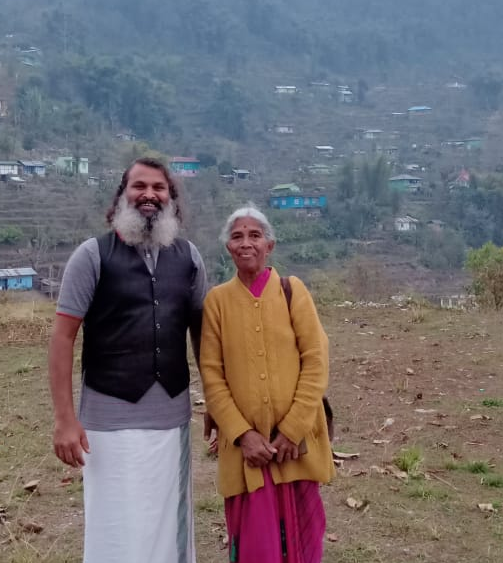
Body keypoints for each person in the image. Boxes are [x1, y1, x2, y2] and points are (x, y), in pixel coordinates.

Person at [48, 157, 208, 563]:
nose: (149, 195)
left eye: (159, 187)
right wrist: (66, 420)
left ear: (171, 198)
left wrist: (217, 405)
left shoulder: (189, 258)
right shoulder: (92, 255)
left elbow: (202, 337)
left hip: (172, 420)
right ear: (122, 195)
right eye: (139, 186)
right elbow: (62, 337)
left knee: (167, 527)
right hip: (108, 422)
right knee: (117, 529)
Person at [200, 204, 334, 563]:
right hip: (247, 455)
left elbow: (315, 361)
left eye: (255, 235)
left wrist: (292, 430)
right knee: (256, 548)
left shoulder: (293, 291)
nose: (246, 243)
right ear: (228, 247)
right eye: (237, 236)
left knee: (303, 545)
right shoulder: (216, 302)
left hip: (296, 447)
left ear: (269, 245)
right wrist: (243, 435)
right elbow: (211, 375)